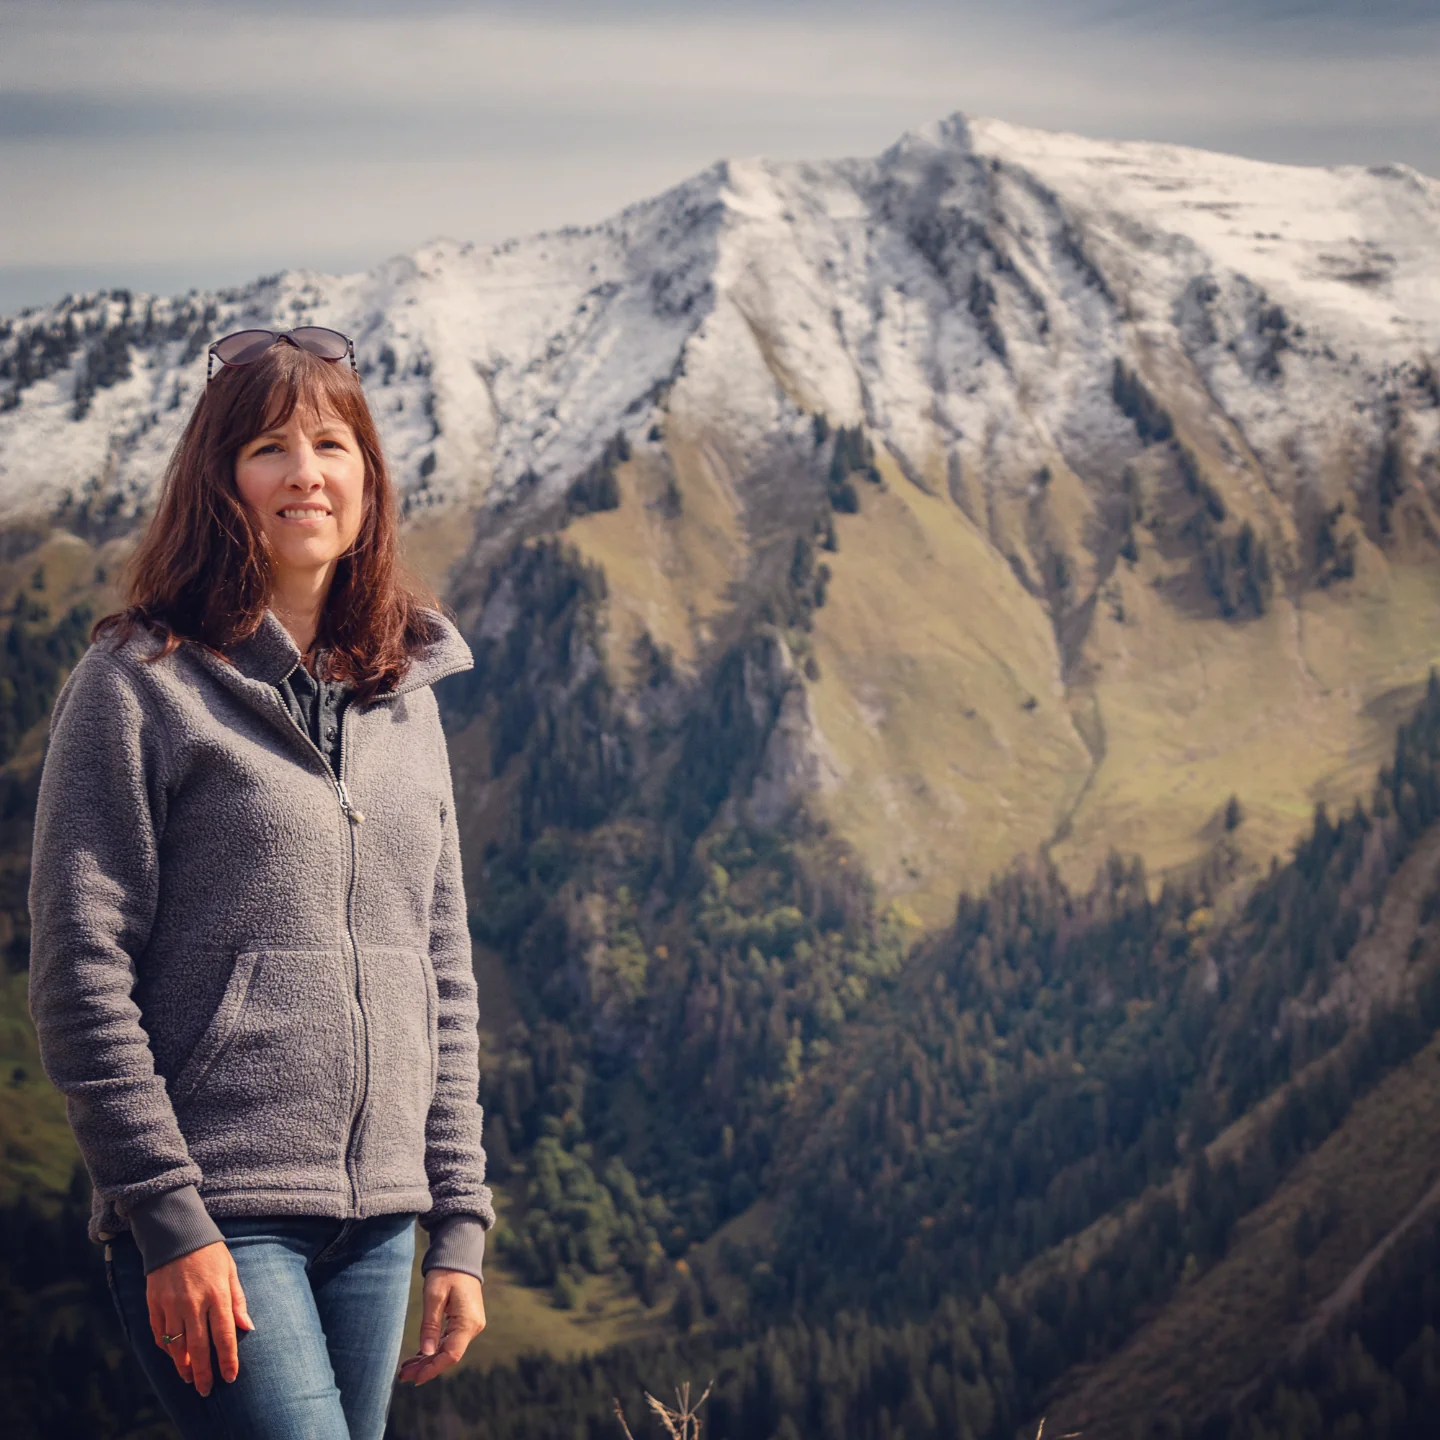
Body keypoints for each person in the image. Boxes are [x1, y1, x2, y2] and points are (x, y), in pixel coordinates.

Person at [27, 325, 495, 1440]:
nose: (306, 474)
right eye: (269, 448)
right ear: (218, 480)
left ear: (369, 478)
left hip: (380, 1222)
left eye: (334, 445)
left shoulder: (404, 696)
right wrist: (166, 1218)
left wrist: (458, 1221)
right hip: (221, 1215)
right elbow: (81, 975)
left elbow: (443, 974)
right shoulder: (139, 682)